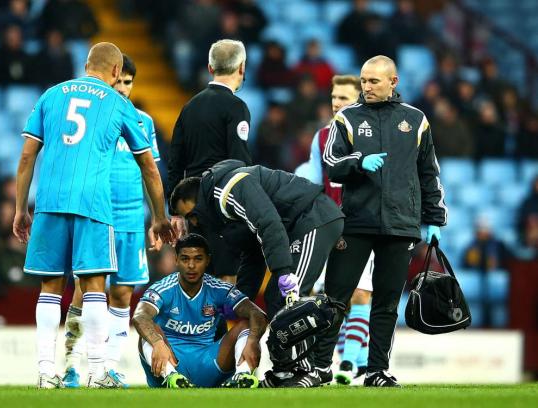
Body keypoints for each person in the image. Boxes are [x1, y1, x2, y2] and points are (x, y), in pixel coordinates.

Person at [13, 42, 173, 389]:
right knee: (95, 288)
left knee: (50, 288)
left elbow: (27, 157)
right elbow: (148, 165)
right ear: (117, 72)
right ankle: (98, 372)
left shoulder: (51, 95)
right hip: (94, 204)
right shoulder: (118, 103)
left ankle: (45, 373)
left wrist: (19, 208)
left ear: (86, 64)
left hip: (50, 200)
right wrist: (160, 216)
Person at [321, 55, 447, 387]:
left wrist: (434, 219)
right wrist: (359, 162)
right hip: (357, 222)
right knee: (336, 296)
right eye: (363, 81)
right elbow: (332, 163)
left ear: (393, 82)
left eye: (374, 81)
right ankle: (320, 368)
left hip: (401, 223)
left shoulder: (416, 120)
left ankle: (376, 370)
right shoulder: (346, 118)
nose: (367, 87)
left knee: (388, 302)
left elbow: (428, 173)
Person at [170, 159, 345, 387]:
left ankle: (304, 370)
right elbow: (253, 255)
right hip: (299, 227)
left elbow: (268, 223)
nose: (193, 221)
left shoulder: (231, 188)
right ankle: (286, 370)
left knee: (287, 299)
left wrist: (282, 271)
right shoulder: (223, 214)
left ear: (200, 199)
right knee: (275, 296)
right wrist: (238, 301)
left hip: (313, 218)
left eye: (192, 214)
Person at [61, 54, 162, 388]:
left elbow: (150, 173)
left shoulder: (143, 122)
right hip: (97, 217)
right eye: (118, 81)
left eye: (128, 83)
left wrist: (155, 219)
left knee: (122, 294)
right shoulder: (94, 119)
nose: (122, 89)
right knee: (84, 291)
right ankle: (72, 364)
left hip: (132, 219)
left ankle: (110, 367)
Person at [298, 74, 373, 385]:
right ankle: (340, 359)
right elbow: (314, 183)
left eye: (343, 97)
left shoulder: (371, 134)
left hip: (364, 223)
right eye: (334, 97)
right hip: (330, 227)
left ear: (358, 99)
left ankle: (349, 363)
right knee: (328, 298)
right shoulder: (322, 137)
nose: (337, 103)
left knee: (360, 294)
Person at [132, 233, 268, 388]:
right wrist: (157, 343)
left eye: (198, 259)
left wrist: (252, 341)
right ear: (176, 260)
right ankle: (172, 379)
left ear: (207, 260)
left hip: (209, 365)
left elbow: (257, 314)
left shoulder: (219, 289)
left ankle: (242, 377)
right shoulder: (162, 288)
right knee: (149, 332)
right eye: (185, 259)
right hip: (170, 361)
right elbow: (140, 316)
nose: (191, 265)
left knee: (247, 325)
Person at [168, 39, 253, 284]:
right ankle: (222, 323)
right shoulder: (236, 107)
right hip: (222, 203)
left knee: (198, 274)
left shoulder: (189, 106)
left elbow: (175, 161)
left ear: (210, 67)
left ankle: (199, 322)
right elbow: (238, 162)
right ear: (241, 67)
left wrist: (175, 211)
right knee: (227, 274)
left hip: (193, 206)